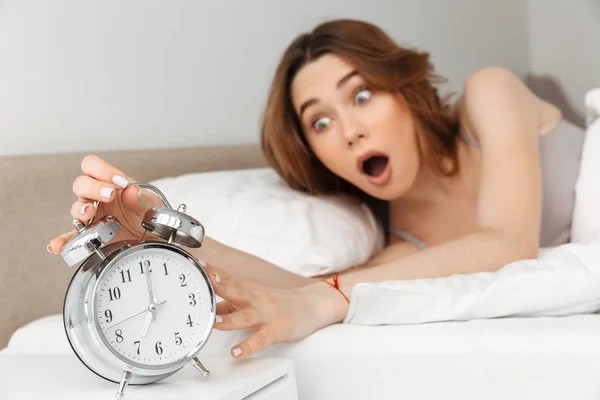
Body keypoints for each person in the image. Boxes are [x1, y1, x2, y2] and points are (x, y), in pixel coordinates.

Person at [47, 19, 582, 360]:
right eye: (320, 123)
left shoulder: (490, 94)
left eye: (363, 95)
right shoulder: (403, 252)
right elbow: (301, 291)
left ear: (405, 87)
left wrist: (329, 294)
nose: (350, 130)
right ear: (313, 154)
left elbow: (510, 244)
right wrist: (164, 230)